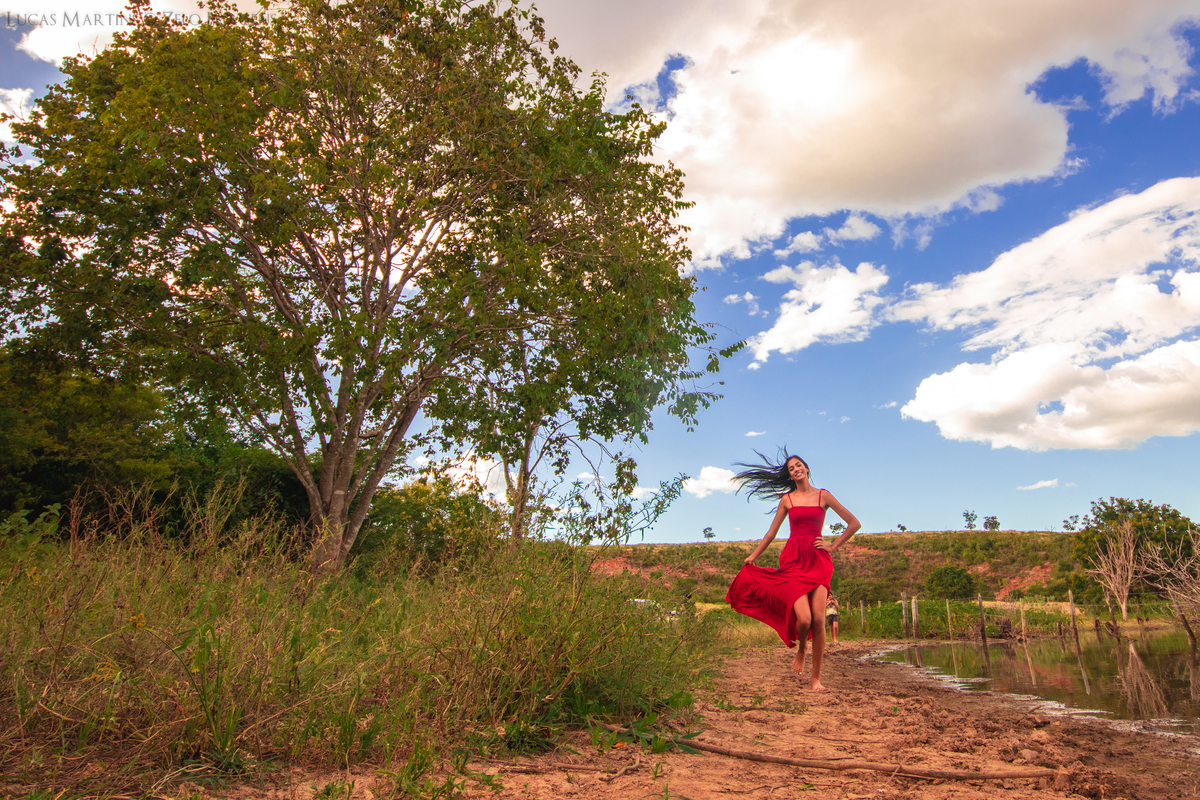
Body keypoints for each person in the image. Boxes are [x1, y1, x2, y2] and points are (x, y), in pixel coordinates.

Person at [725, 451, 860, 691]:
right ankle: (802, 649)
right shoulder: (787, 500)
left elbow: (854, 523)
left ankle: (816, 678)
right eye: (791, 468)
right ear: (790, 475)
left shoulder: (824, 495)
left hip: (818, 561)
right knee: (804, 619)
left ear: (806, 469)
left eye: (799, 465)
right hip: (794, 561)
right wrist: (753, 556)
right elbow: (771, 533)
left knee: (819, 619)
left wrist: (832, 546)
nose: (796, 469)